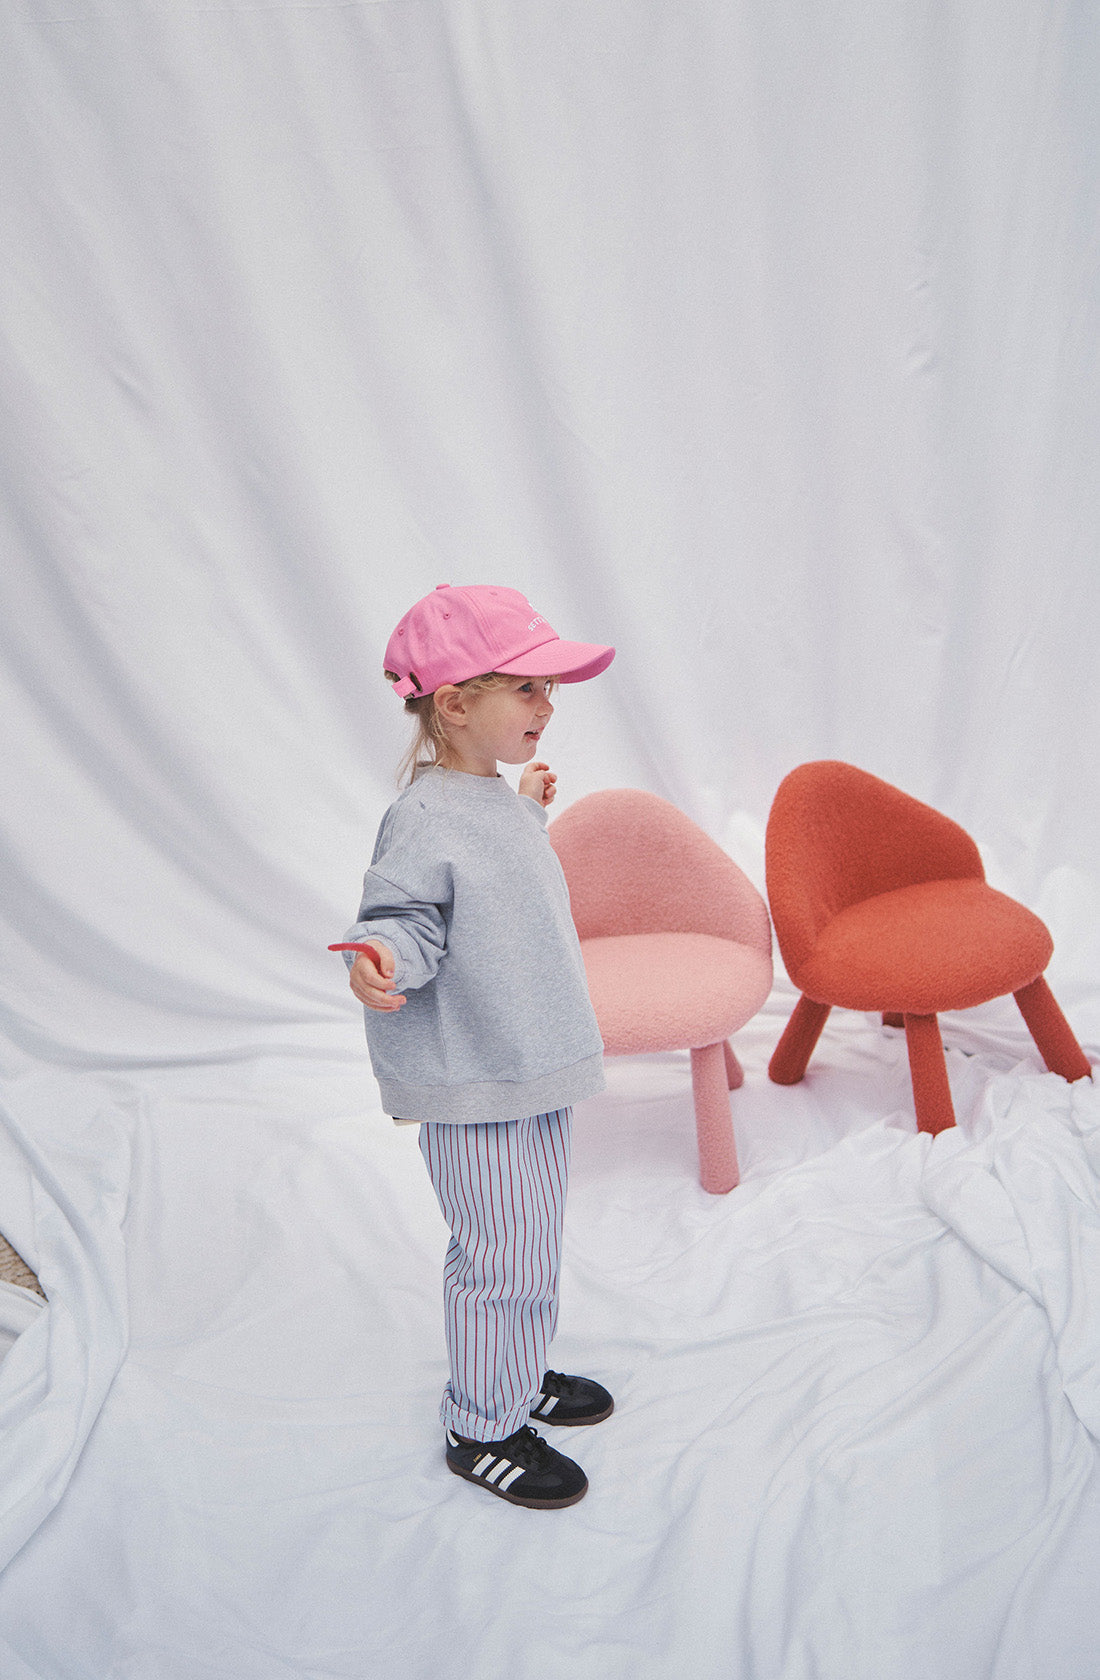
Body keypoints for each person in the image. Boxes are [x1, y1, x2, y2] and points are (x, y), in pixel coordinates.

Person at [333, 584, 616, 1510]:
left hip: (530, 1066)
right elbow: (407, 913)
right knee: (499, 1255)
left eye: (550, 691)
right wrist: (381, 957)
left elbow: (492, 876)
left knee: (531, 1245)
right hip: (477, 1076)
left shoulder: (488, 798)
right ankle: (481, 1425)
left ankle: (514, 1371)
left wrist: (527, 807)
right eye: (528, 690)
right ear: (455, 703)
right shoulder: (424, 816)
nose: (549, 707)